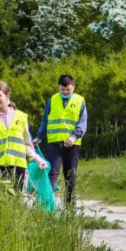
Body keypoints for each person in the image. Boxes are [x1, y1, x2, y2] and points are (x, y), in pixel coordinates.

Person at [0, 81, 47, 187]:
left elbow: (26, 144)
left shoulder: (21, 117)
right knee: (0, 201)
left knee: (17, 199)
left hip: (18, 166)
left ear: (7, 95)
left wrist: (38, 159)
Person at [34, 75, 87, 206]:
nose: (65, 92)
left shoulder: (80, 101)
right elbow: (45, 120)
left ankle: (69, 207)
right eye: (62, 89)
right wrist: (39, 137)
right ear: (58, 87)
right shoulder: (52, 100)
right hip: (54, 143)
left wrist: (74, 136)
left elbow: (83, 123)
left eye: (68, 89)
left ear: (73, 87)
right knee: (51, 172)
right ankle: (47, 206)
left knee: (70, 176)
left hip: (72, 144)